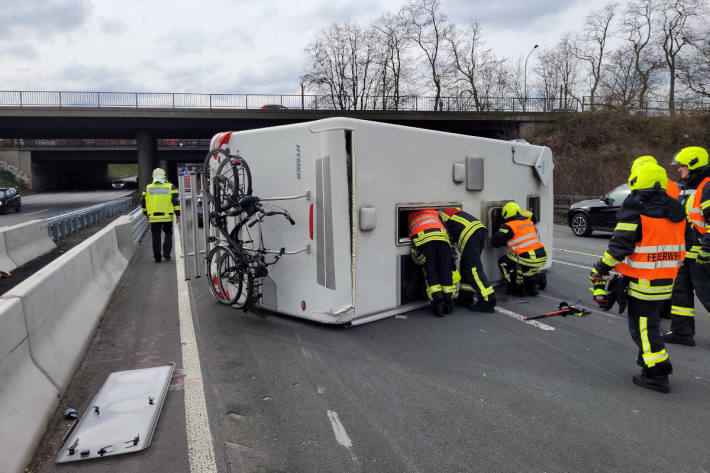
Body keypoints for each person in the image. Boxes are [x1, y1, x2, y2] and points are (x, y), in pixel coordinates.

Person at [590, 162, 685, 393]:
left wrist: (601, 268)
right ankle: (653, 362)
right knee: (649, 325)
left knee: (643, 329)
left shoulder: (634, 213)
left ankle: (657, 373)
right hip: (666, 280)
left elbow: (618, 248)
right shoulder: (676, 211)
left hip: (643, 282)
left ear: (635, 182)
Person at [664, 146, 710, 346]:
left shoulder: (707, 187)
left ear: (694, 166)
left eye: (682, 166)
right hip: (684, 253)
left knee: (707, 294)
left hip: (702, 253)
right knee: (680, 294)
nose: (679, 170)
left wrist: (707, 249)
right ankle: (682, 332)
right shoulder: (685, 187)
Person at [439, 207, 496, 312]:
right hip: (479, 230)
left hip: (470, 234)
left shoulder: (438, 218)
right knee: (466, 265)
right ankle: (465, 297)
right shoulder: (450, 211)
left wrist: (451, 259)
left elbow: (448, 238)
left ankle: (488, 300)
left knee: (473, 269)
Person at [491, 201, 548, 296]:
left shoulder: (509, 226)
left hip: (528, 257)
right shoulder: (529, 222)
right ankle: (538, 277)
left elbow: (494, 242)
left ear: (506, 214)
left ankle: (513, 287)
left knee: (503, 261)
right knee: (525, 266)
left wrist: (498, 226)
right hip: (541, 255)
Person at [409, 208, 456, 317]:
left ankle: (438, 305)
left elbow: (411, 237)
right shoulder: (434, 212)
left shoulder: (410, 216)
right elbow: (447, 231)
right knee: (446, 272)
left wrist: (414, 253)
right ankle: (449, 304)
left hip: (424, 241)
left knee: (431, 274)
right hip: (442, 239)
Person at [141, 168, 181, 263]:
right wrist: (178, 215)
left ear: (153, 176)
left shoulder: (148, 188)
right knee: (168, 234)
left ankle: (157, 257)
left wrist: (146, 213)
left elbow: (143, 202)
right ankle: (167, 255)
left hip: (154, 218)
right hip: (167, 217)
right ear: (164, 176)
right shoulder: (170, 187)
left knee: (156, 237)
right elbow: (175, 202)